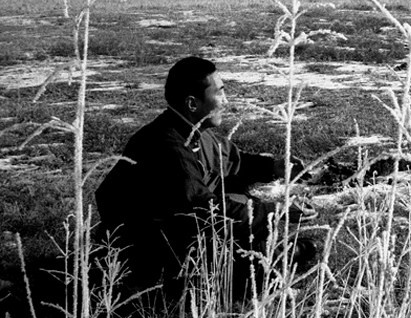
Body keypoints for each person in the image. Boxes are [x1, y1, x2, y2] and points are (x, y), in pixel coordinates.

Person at [95, 56, 313, 298]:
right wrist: (274, 212)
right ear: (192, 103)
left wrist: (274, 167)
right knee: (237, 222)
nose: (225, 101)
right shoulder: (167, 147)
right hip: (146, 248)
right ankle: (262, 267)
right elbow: (202, 208)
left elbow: (231, 160)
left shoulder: (194, 132)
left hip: (179, 230)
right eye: (219, 93)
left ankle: (266, 260)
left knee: (236, 191)